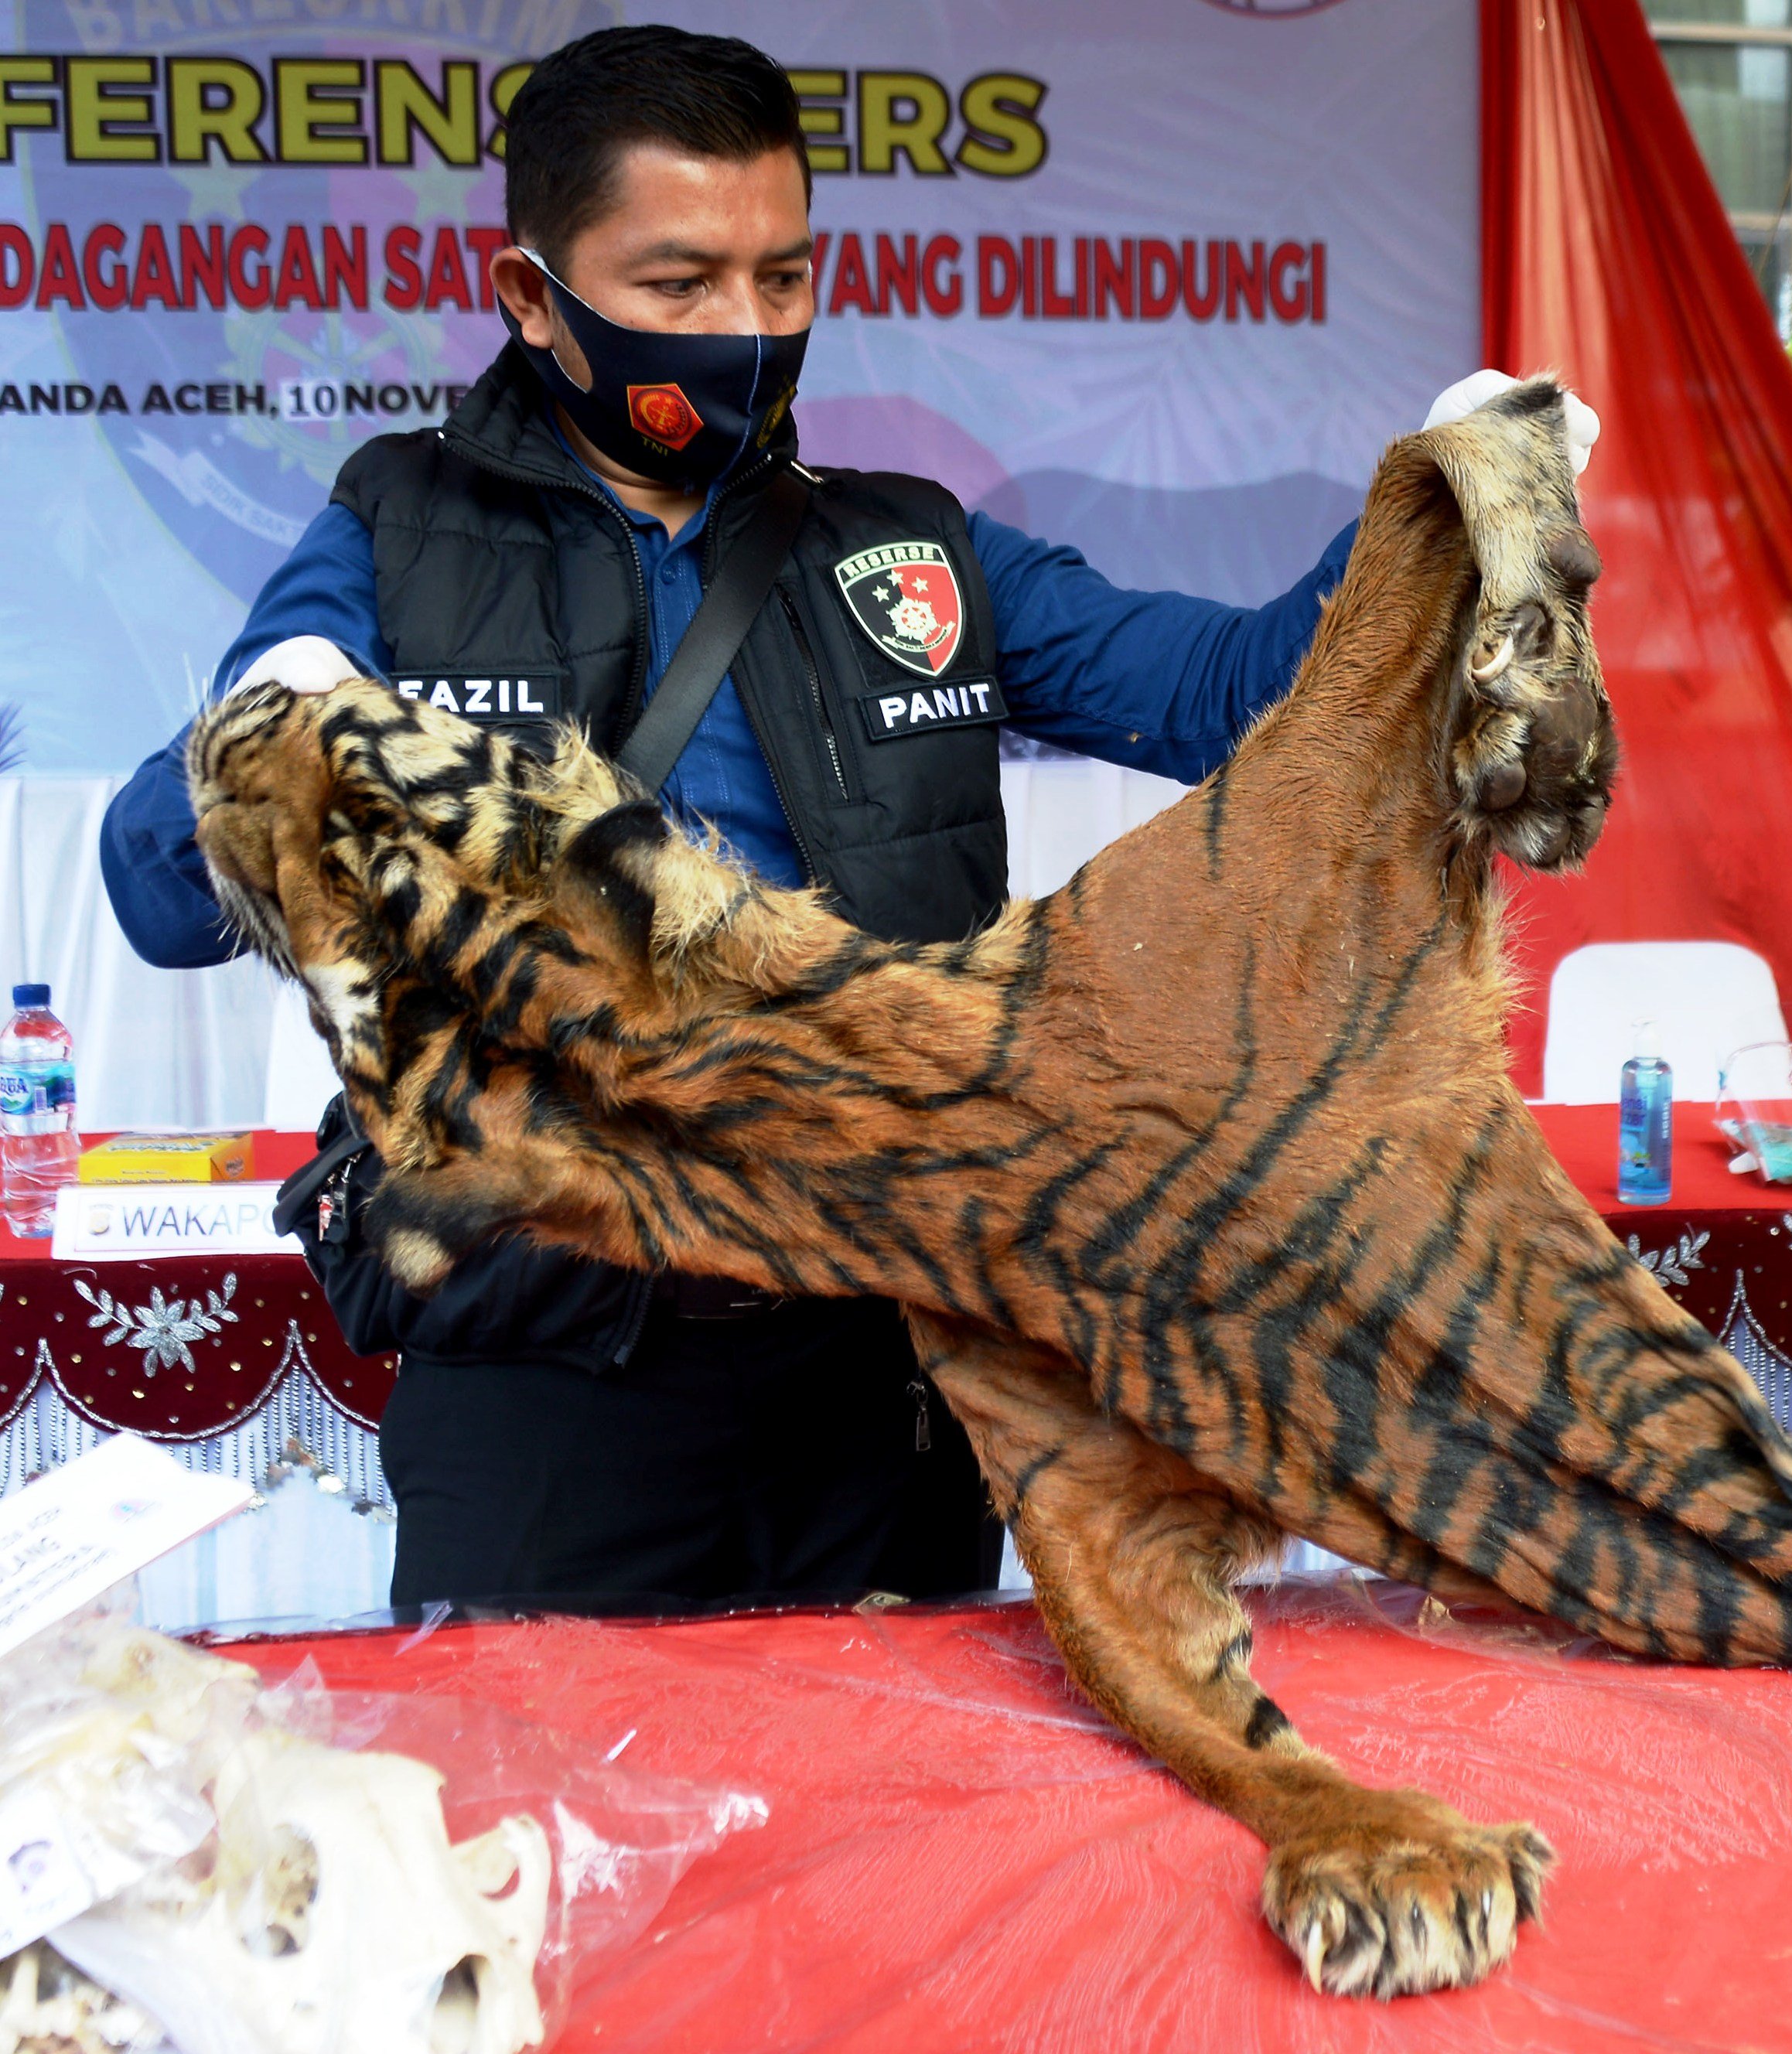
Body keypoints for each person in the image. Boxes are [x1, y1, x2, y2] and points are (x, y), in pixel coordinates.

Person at [97, 25, 1594, 1612]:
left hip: (886, 1372)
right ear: (534, 297)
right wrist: (277, 751)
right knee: (540, 1836)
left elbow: (1240, 694)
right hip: (547, 1370)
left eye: (783, 278)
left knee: (902, 1842)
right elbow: (155, 895)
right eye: (679, 288)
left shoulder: (917, 556)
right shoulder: (395, 535)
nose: (745, 329)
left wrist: (1444, 522)